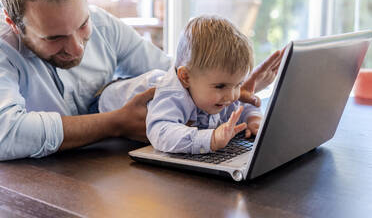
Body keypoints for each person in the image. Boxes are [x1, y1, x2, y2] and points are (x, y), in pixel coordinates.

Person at [0, 0, 281, 161]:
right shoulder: (4, 49)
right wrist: (114, 123)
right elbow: (6, 133)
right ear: (13, 24)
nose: (77, 47)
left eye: (82, 24)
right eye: (55, 38)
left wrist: (226, 86)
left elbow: (178, 75)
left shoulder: (104, 25)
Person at [98, 15, 279, 153]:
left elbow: (240, 107)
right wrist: (211, 139)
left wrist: (253, 118)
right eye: (221, 86)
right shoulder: (172, 94)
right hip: (101, 103)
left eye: (238, 84)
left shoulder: (222, 91)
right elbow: (161, 133)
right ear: (185, 78)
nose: (232, 95)